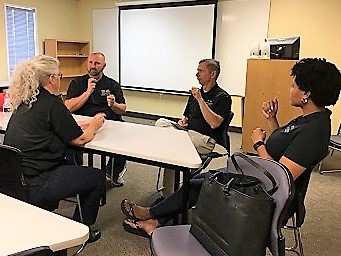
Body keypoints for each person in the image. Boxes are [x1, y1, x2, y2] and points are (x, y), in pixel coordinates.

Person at [120, 58, 341, 238]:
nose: (289, 89)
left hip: (266, 193)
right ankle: (154, 220)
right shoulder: (309, 119)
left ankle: (151, 215)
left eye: (293, 85)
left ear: (306, 93)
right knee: (199, 180)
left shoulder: (315, 130)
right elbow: (283, 147)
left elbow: (280, 175)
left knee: (202, 184)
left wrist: (258, 144)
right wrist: (273, 120)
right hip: (258, 178)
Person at [4, 55, 106, 243]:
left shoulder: (25, 102)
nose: (60, 78)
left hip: (15, 180)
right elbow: (80, 139)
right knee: (97, 177)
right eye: (59, 74)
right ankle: (81, 229)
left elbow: (62, 126)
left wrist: (87, 123)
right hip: (38, 181)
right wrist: (95, 125)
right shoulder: (52, 103)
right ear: (51, 78)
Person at [155, 59, 232, 197]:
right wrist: (183, 121)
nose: (197, 74)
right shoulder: (194, 94)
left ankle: (170, 193)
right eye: (197, 71)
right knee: (160, 123)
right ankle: (169, 194)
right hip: (187, 134)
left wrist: (200, 99)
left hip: (206, 140)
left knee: (173, 146)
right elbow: (186, 116)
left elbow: (214, 123)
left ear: (213, 73)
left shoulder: (223, 97)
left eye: (200, 71)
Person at [65, 52, 127, 187]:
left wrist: (114, 105)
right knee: (67, 139)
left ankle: (112, 173)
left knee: (125, 141)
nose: (93, 66)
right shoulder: (77, 83)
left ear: (104, 66)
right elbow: (68, 107)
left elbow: (123, 109)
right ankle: (77, 173)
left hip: (108, 123)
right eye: (91, 62)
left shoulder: (112, 84)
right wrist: (87, 92)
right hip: (84, 123)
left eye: (97, 63)